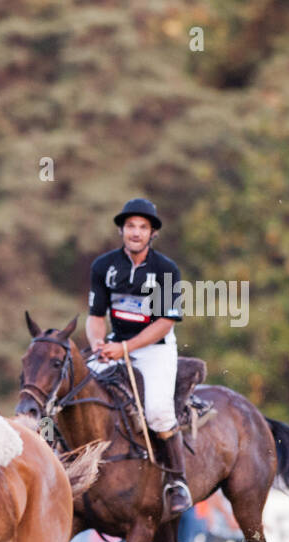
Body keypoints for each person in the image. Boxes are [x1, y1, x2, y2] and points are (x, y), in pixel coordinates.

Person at [86, 198, 191, 515]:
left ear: (152, 233)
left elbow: (165, 323)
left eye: (143, 227)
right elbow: (95, 316)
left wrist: (125, 349)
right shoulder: (103, 266)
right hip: (114, 346)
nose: (136, 232)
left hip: (154, 349)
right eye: (130, 226)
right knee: (74, 391)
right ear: (121, 230)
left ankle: (177, 482)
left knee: (158, 412)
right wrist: (97, 343)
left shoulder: (166, 269)